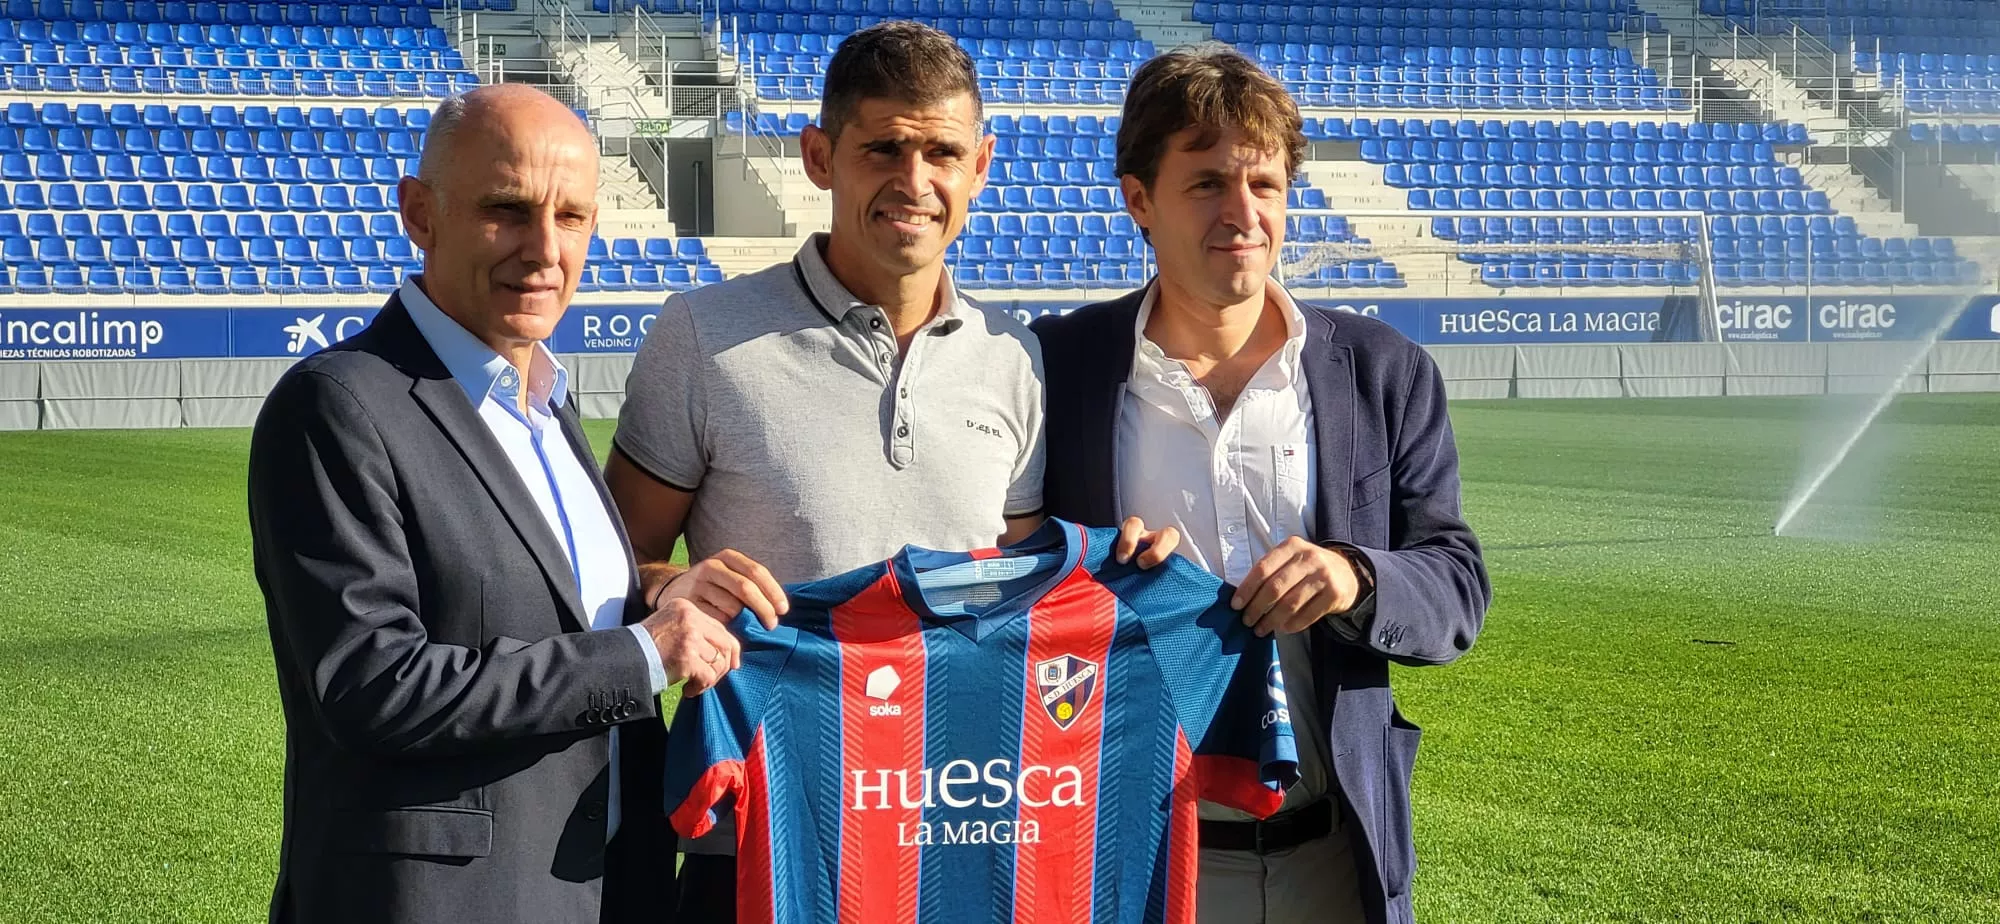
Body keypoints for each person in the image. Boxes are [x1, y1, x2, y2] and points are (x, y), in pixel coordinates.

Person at [605, 20, 1176, 921]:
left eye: (941, 152)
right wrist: (672, 587)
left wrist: (1128, 572)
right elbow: (611, 569)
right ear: (820, 157)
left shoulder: (1012, 357)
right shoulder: (703, 336)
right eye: (884, 149)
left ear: (980, 165)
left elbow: (1021, 590)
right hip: (762, 835)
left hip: (955, 829)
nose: (914, 181)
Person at [247, 84, 739, 924]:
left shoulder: (543, 402)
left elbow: (550, 606)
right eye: (507, 209)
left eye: (571, 217)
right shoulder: (336, 404)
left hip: (609, 888)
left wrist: (658, 593)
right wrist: (641, 655)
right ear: (420, 213)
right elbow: (374, 684)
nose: (544, 249)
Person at [1032, 46, 1492, 924]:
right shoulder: (1057, 368)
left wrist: (1356, 577)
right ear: (1139, 200)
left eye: (1264, 184)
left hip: (1336, 860)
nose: (1242, 213)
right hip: (1129, 861)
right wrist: (1088, 572)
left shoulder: (1382, 372)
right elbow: (999, 568)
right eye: (1207, 183)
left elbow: (1457, 586)